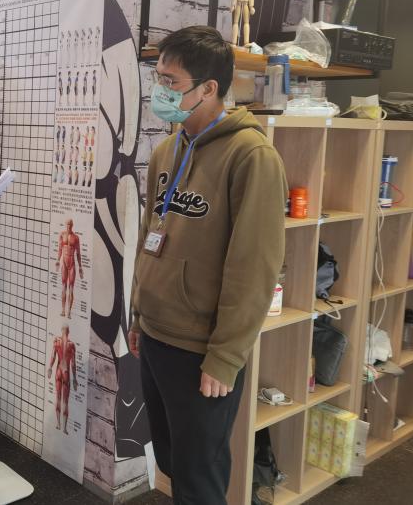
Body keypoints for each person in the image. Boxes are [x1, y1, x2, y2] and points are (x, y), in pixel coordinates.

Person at [128, 26, 287, 504]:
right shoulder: (167, 150)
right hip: (155, 335)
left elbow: (254, 266)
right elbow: (150, 237)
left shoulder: (252, 156)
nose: (159, 90)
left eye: (170, 82)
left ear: (208, 88)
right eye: (158, 77)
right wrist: (138, 315)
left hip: (201, 348)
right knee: (172, 462)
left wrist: (226, 355)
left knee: (200, 477)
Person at [46, 324, 77, 434]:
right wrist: (75, 379)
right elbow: (73, 364)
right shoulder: (71, 345)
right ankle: (64, 428)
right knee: (65, 401)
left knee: (58, 398)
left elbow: (53, 356)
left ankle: (58, 424)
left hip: (58, 371)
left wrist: (50, 368)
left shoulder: (57, 341)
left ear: (61, 331)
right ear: (68, 332)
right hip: (66, 372)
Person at [56, 219, 83, 319]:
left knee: (71, 288)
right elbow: (60, 249)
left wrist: (80, 266)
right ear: (65, 225)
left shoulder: (76, 237)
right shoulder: (62, 235)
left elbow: (78, 253)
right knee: (64, 286)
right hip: (64, 262)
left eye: (70, 224)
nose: (69, 226)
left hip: (72, 264)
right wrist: (58, 260)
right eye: (67, 224)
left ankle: (69, 312)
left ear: (72, 225)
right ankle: (63, 310)